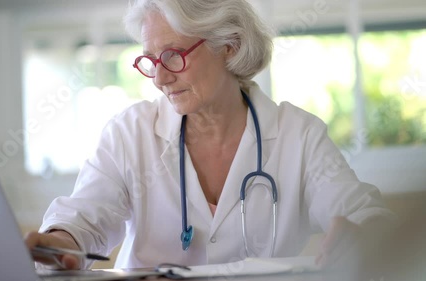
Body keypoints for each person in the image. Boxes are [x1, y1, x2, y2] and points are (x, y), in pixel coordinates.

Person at [25, 0, 396, 271]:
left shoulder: (299, 135)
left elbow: (362, 213)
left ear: (229, 45)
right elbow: (84, 219)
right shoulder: (130, 133)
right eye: (149, 60)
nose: (159, 78)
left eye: (173, 55)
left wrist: (361, 235)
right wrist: (59, 243)